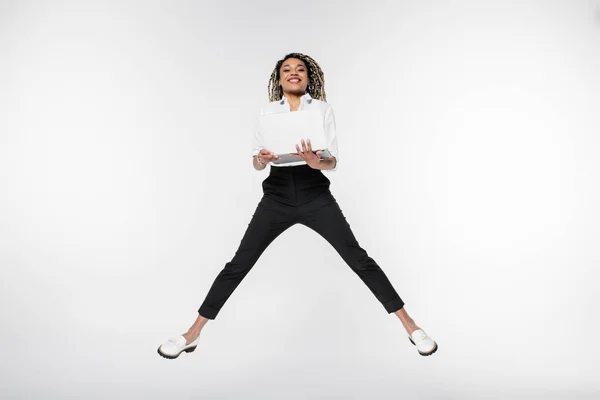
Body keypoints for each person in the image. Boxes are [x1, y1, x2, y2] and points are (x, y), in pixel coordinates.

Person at [158, 52, 437, 359]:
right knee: (239, 264)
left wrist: (318, 162)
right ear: (279, 79)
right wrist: (260, 159)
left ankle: (410, 326)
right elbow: (256, 163)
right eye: (287, 69)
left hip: (314, 193)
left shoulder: (321, 109)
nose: (294, 73)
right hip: (276, 196)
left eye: (300, 69)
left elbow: (332, 162)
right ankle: (193, 332)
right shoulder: (266, 113)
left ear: (307, 77)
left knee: (358, 259)